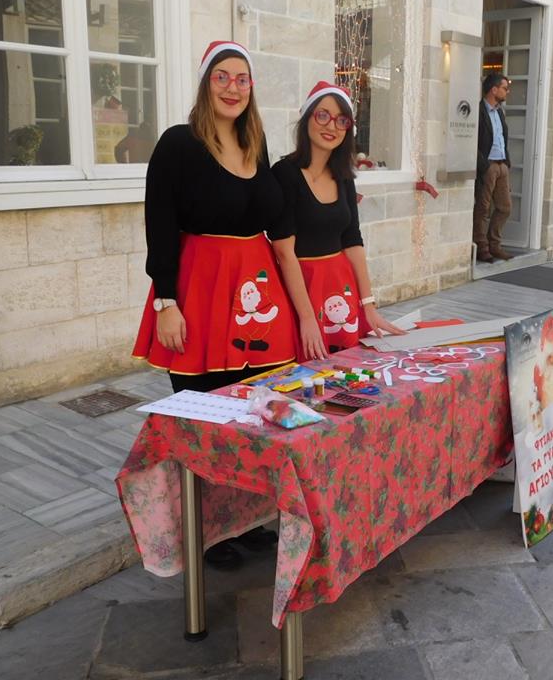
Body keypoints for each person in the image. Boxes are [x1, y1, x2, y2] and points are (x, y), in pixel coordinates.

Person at [131, 40, 302, 566]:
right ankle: (205, 532)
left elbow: (272, 219)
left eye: (241, 78)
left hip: (253, 298)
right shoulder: (179, 144)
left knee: (247, 413)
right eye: (222, 77)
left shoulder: (255, 143)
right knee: (204, 417)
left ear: (252, 88)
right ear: (207, 84)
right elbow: (159, 223)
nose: (232, 87)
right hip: (199, 296)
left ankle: (242, 518)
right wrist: (166, 301)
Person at [272, 81, 404, 360]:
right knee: (305, 368)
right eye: (323, 115)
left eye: (341, 120)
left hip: (339, 286)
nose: (331, 126)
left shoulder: (343, 176)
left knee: (346, 368)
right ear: (307, 118)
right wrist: (307, 317)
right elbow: (284, 251)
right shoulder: (284, 173)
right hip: (301, 288)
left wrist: (368, 306)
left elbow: (352, 240)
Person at [474, 73, 513, 264]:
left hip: (501, 164)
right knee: (483, 208)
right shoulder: (479, 111)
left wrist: (506, 163)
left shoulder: (499, 112)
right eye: (505, 88)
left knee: (505, 207)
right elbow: (473, 141)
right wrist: (484, 165)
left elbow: (502, 138)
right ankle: (481, 247)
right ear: (494, 89)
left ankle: (494, 244)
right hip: (488, 165)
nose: (507, 91)